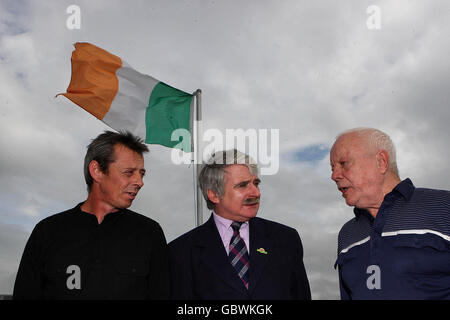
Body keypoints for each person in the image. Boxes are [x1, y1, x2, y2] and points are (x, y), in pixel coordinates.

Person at [13, 131, 170, 299]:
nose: (139, 182)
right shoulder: (47, 232)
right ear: (97, 171)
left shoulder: (150, 234)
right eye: (129, 172)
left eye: (142, 173)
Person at [169, 149, 311, 300]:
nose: (255, 193)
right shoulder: (180, 252)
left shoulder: (286, 239)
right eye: (243, 185)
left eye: (256, 183)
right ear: (214, 195)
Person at [330, 127, 450, 300]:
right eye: (332, 168)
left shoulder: (443, 206)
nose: (334, 175)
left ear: (381, 162)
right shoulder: (347, 234)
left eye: (343, 163)